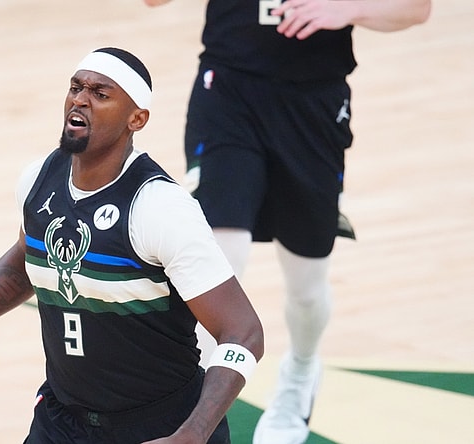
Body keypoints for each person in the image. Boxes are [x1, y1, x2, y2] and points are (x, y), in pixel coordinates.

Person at [0, 47, 264, 444]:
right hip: (62, 420)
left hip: (162, 427)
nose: (80, 99)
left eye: (100, 93)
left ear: (137, 119)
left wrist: (195, 433)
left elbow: (244, 332)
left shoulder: (159, 207)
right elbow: (24, 261)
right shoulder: (39, 179)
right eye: (76, 87)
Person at [141, 1, 432, 443]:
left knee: (306, 282)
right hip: (228, 90)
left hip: (314, 102)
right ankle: (190, 409)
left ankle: (300, 372)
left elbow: (416, 8)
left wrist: (350, 8)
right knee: (222, 257)